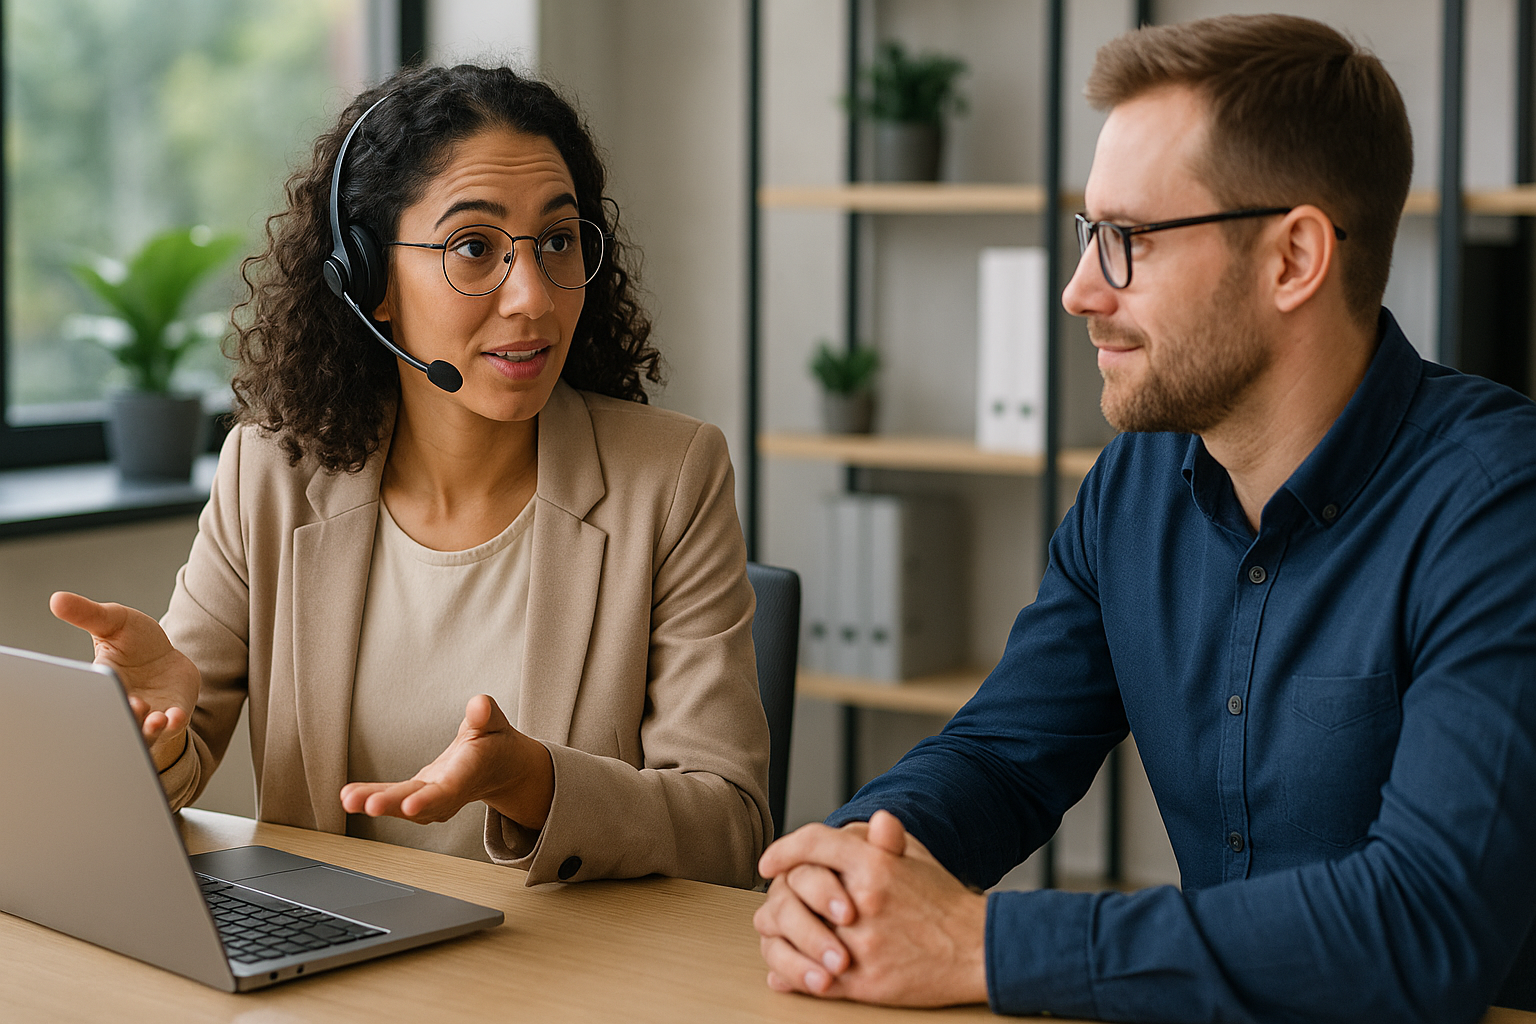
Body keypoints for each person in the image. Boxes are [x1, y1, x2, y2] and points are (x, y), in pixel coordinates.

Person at [754, 14, 1536, 1020]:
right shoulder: (1132, 487)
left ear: (1294, 258)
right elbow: (1002, 755)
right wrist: (856, 861)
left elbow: (1425, 925)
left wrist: (982, 944)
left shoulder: (1498, 506)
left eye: (1128, 240)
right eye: (1090, 236)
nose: (1081, 290)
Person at [51, 63, 773, 889]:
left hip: (560, 988)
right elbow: (163, 780)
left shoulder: (672, 477)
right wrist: (151, 726)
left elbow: (729, 826)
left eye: (558, 241)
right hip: (323, 971)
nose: (533, 298)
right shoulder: (270, 471)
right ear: (370, 282)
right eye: (474, 247)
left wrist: (538, 784)